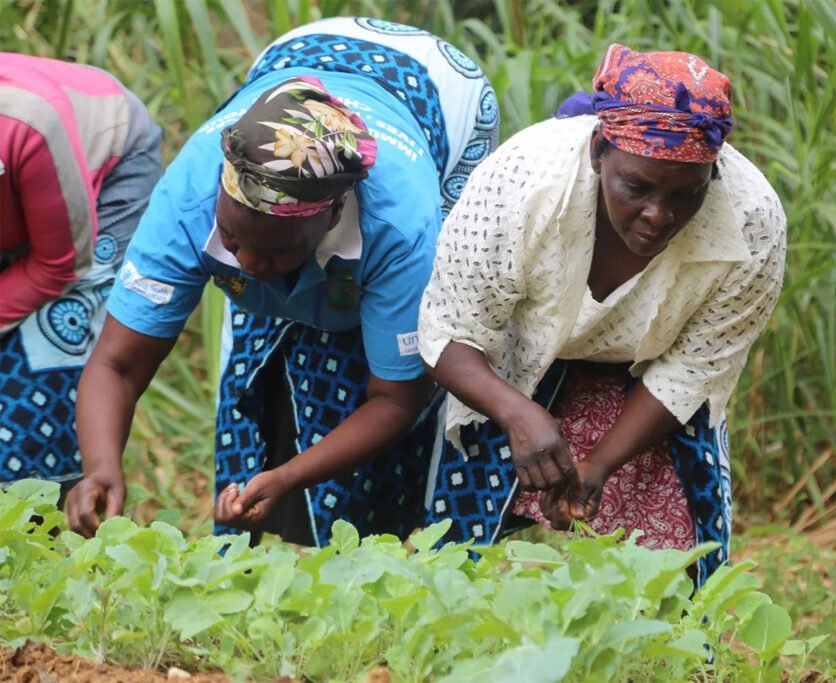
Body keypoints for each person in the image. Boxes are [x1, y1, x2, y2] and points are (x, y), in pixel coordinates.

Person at [64, 17, 499, 546]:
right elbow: (118, 360)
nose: (246, 263)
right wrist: (101, 467)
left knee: (387, 347)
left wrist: (291, 475)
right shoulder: (190, 200)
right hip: (296, 55)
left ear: (335, 211)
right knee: (251, 349)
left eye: (277, 250)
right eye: (231, 237)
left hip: (442, 93)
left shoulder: (401, 224)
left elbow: (396, 399)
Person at [418, 44, 786, 584]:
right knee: (464, 551)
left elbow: (693, 370)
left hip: (650, 375)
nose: (658, 216)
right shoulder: (522, 184)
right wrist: (518, 413)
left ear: (714, 173)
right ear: (597, 151)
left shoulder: (753, 224)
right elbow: (450, 329)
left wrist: (601, 464)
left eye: (688, 193)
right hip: (518, 358)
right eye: (635, 187)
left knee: (681, 564)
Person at [0, 54, 162, 493]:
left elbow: (60, 264)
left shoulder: (27, 120)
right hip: (16, 201)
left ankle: (63, 519)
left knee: (47, 361)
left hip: (103, 174)